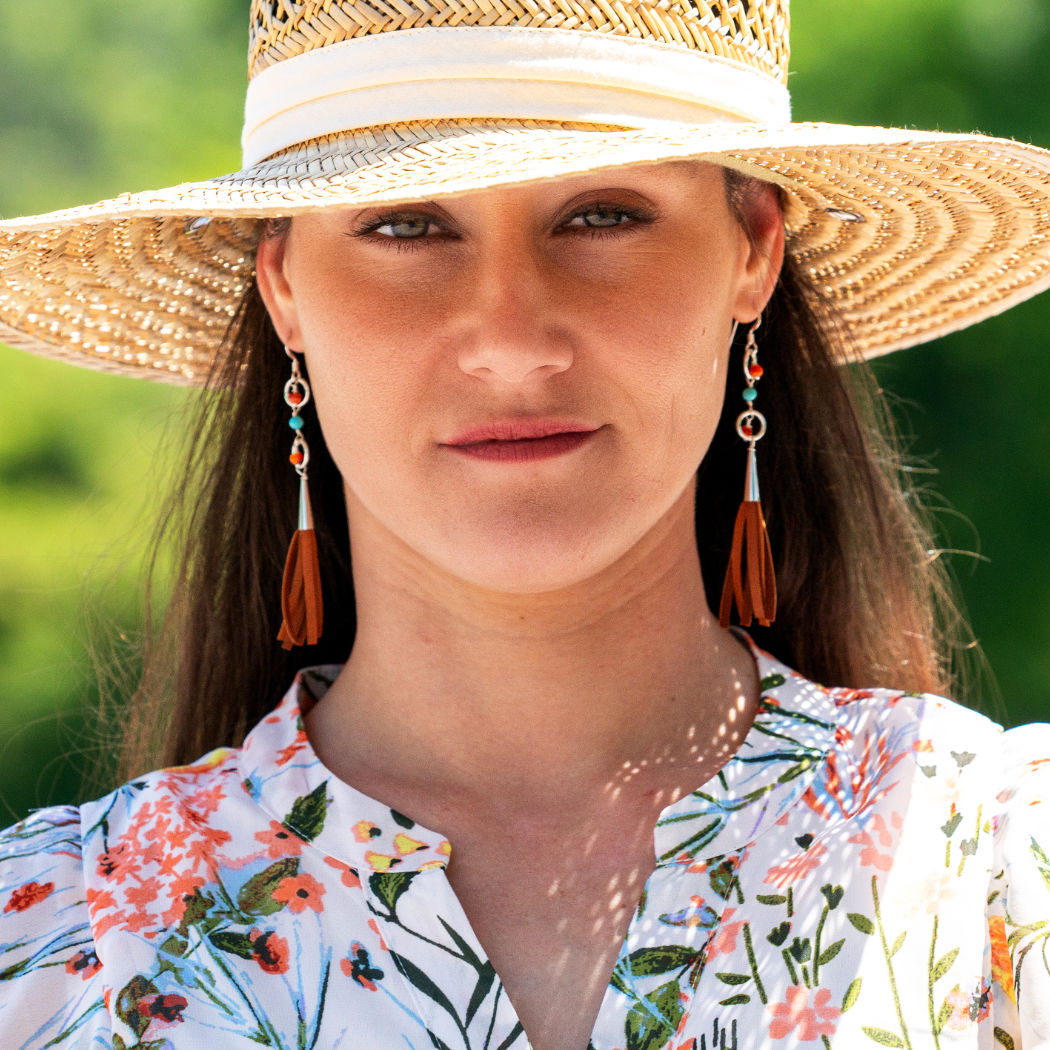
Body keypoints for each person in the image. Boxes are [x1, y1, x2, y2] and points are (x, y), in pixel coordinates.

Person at [1, 0, 1049, 1046]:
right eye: (405, 225)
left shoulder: (1007, 875)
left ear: (752, 252)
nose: (509, 342)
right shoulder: (46, 949)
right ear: (284, 290)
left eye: (601, 215)